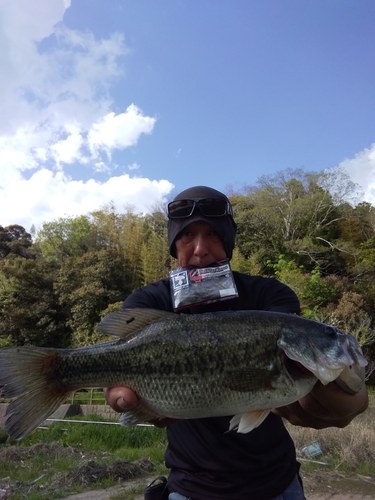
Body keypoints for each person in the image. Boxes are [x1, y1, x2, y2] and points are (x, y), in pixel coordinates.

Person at [105, 186, 368, 500]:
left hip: (278, 485)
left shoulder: (270, 296)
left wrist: (342, 392)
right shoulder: (150, 301)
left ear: (229, 242)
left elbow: (279, 367)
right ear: (173, 245)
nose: (200, 249)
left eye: (214, 234)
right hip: (191, 488)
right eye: (187, 235)